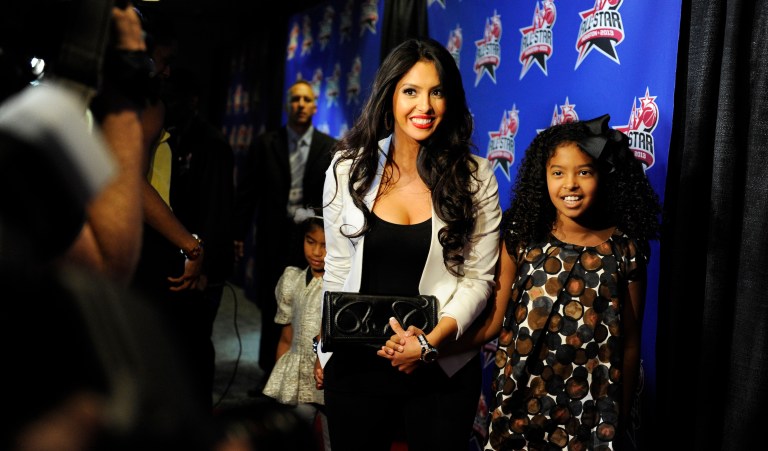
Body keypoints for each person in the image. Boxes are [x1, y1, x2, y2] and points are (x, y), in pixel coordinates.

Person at [318, 37, 502, 451]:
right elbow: (337, 267)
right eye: (411, 91)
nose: (425, 106)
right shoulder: (347, 169)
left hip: (439, 367)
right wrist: (326, 343)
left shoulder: (476, 177)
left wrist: (428, 343)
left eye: (437, 92)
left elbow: (478, 279)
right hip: (355, 365)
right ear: (389, 97)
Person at [455, 115, 661, 450]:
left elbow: (630, 342)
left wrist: (620, 415)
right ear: (543, 177)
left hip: (592, 412)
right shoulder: (523, 238)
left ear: (603, 175)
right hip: (521, 403)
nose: (570, 184)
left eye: (584, 171)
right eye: (558, 173)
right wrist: (437, 349)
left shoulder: (626, 249)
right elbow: (495, 320)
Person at [130, 10, 235, 414]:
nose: (166, 72)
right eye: (163, 61)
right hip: (138, 255)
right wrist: (191, 246)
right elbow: (133, 184)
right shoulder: (142, 105)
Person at [234, 79, 337, 394]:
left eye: (307, 100)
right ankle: (270, 375)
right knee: (273, 304)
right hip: (272, 238)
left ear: (315, 106)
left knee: (312, 308)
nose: (301, 105)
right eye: (296, 100)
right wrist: (238, 234)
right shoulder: (266, 144)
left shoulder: (329, 146)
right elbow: (247, 193)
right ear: (287, 104)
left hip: (313, 238)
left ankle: (308, 377)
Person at [261, 207, 330, 450]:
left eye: (325, 245)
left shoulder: (339, 286)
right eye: (311, 242)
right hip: (298, 378)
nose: (317, 252)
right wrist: (280, 377)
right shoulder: (292, 280)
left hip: (328, 378)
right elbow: (286, 337)